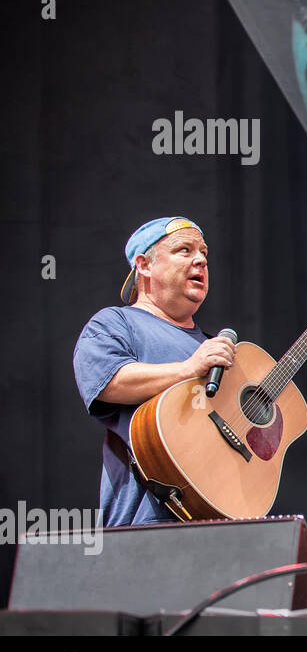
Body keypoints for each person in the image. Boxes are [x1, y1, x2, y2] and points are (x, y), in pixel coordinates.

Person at [72, 217, 235, 526]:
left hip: (223, 519)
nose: (200, 259)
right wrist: (189, 368)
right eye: (184, 250)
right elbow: (110, 382)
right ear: (144, 265)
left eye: (203, 253)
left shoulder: (212, 346)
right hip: (148, 524)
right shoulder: (114, 323)